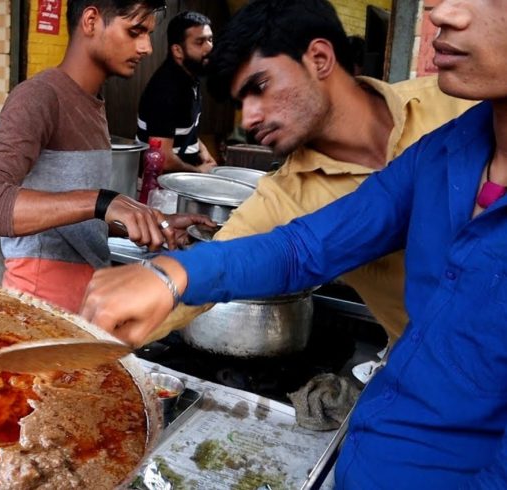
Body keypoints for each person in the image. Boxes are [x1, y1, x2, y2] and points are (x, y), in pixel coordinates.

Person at [81, 0, 507, 486]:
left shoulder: (448, 103)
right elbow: (302, 248)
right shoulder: (445, 150)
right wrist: (164, 278)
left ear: (320, 59)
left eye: (261, 87)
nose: (440, 13)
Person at [146, 0, 475, 347]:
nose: (249, 119)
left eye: (259, 87)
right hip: (440, 380)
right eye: (242, 103)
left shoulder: (457, 107)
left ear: (319, 58)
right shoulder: (284, 198)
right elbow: (208, 273)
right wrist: (102, 327)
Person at [0, 0, 213, 313]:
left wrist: (153, 222)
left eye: (148, 33)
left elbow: (78, 221)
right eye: (135, 31)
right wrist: (102, 201)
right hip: (41, 310)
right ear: (91, 21)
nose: (147, 47)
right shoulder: (39, 97)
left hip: (86, 305)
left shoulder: (93, 104)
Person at [136, 11, 217, 173]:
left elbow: (183, 128)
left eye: (210, 39)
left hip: (181, 177)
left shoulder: (190, 75)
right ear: (178, 51)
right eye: (199, 42)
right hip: (161, 187)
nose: (210, 48)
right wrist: (200, 172)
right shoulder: (165, 89)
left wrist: (201, 148)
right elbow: (162, 160)